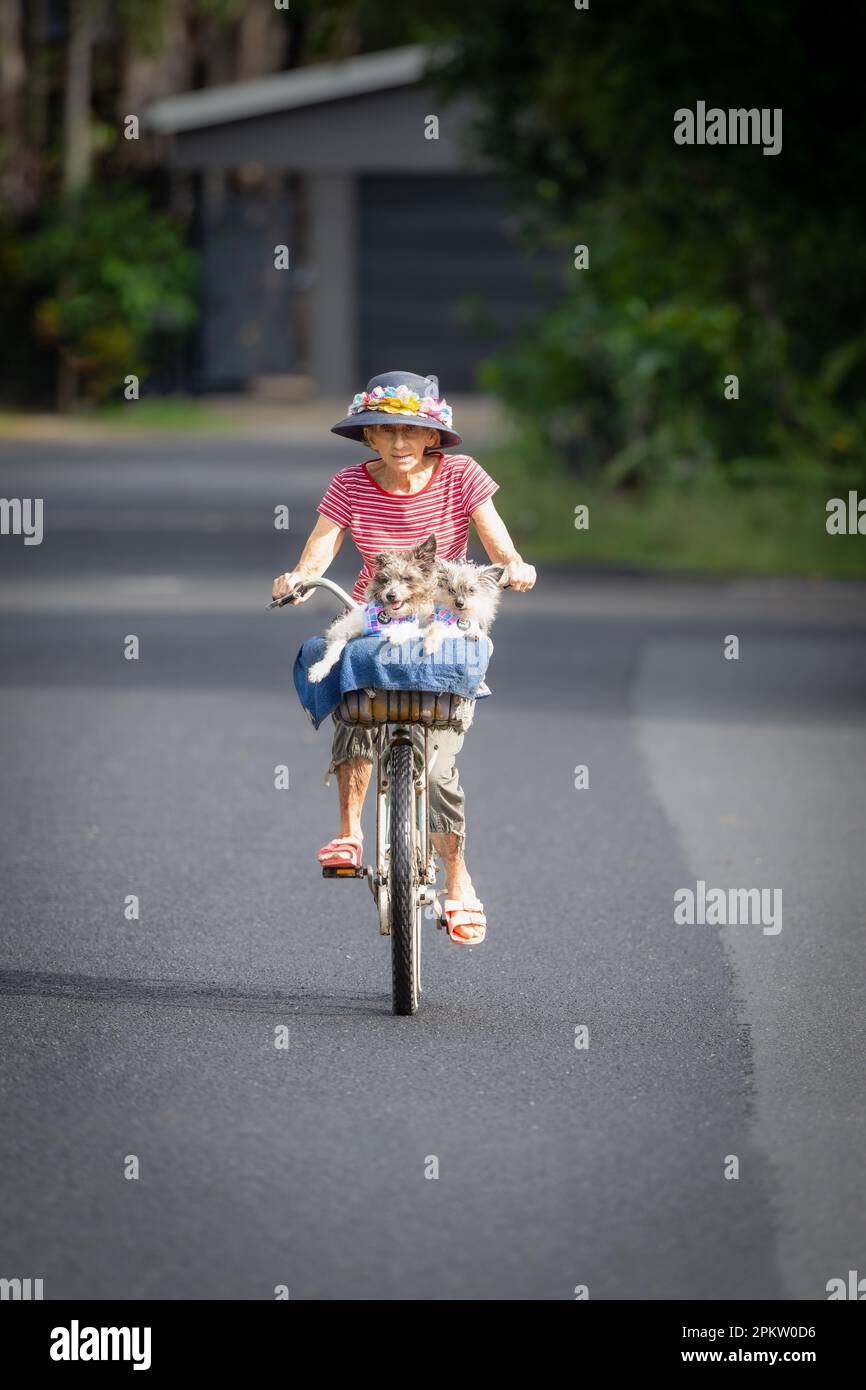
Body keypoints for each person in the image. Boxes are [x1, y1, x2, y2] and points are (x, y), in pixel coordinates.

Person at [272, 370, 536, 943]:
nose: (398, 443)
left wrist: (513, 563)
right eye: (384, 432)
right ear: (367, 438)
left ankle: (458, 882)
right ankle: (348, 831)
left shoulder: (462, 475)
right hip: (379, 616)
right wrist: (297, 578)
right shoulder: (348, 484)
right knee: (352, 692)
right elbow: (319, 551)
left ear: (432, 436)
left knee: (440, 767)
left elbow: (495, 537)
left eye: (410, 432)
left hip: (438, 616)